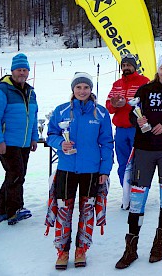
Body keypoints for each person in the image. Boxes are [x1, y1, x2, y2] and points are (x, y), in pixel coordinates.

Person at [115, 54, 162, 269]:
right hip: (145, 150)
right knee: (137, 201)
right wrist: (137, 119)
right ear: (158, 70)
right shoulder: (145, 90)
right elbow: (131, 116)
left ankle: (159, 243)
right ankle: (131, 248)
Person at [47, 72, 113, 270]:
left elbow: (107, 143)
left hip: (91, 170)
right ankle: (62, 250)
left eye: (86, 87)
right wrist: (61, 144)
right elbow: (51, 134)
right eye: (78, 87)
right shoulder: (61, 111)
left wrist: (105, 170)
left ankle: (81, 249)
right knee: (64, 210)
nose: (82, 91)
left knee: (87, 210)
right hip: (67, 169)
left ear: (91, 89)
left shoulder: (100, 113)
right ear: (73, 89)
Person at [0, 53, 38, 226]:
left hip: (23, 143)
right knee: (16, 175)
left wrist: (34, 138)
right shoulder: (1, 91)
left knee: (14, 175)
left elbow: (33, 116)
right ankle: (14, 211)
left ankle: (2, 210)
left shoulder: (31, 92)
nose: (22, 72)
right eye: (19, 69)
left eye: (25, 69)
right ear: (12, 71)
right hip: (7, 142)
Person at [106, 53, 149, 189]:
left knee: (139, 161)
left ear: (134, 66)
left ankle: (139, 190)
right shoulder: (117, 84)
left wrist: (125, 104)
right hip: (120, 130)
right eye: (123, 65)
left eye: (129, 65)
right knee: (122, 162)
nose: (126, 68)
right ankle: (126, 190)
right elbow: (109, 106)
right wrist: (114, 105)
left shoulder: (144, 82)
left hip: (137, 129)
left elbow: (148, 104)